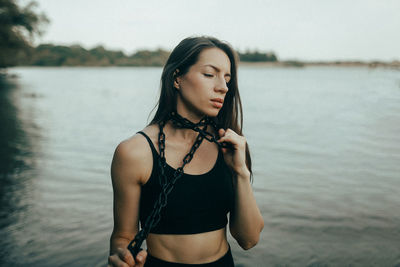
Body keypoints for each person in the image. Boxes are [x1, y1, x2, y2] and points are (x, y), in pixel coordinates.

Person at [108, 36, 264, 267]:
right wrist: (122, 255)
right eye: (210, 74)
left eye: (227, 78)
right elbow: (123, 237)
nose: (223, 86)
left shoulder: (229, 145)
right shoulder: (134, 153)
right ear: (177, 77)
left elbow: (249, 239)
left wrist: (240, 172)